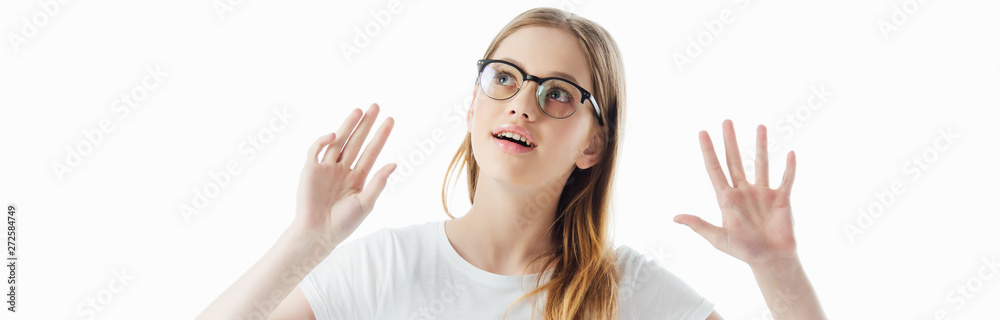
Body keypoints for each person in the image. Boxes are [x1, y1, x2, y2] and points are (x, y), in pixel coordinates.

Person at [196, 7, 827, 320]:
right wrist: (305, 241)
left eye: (558, 93)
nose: (523, 104)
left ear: (592, 145)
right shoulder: (382, 268)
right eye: (505, 79)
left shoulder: (627, 293)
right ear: (472, 107)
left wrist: (778, 270)